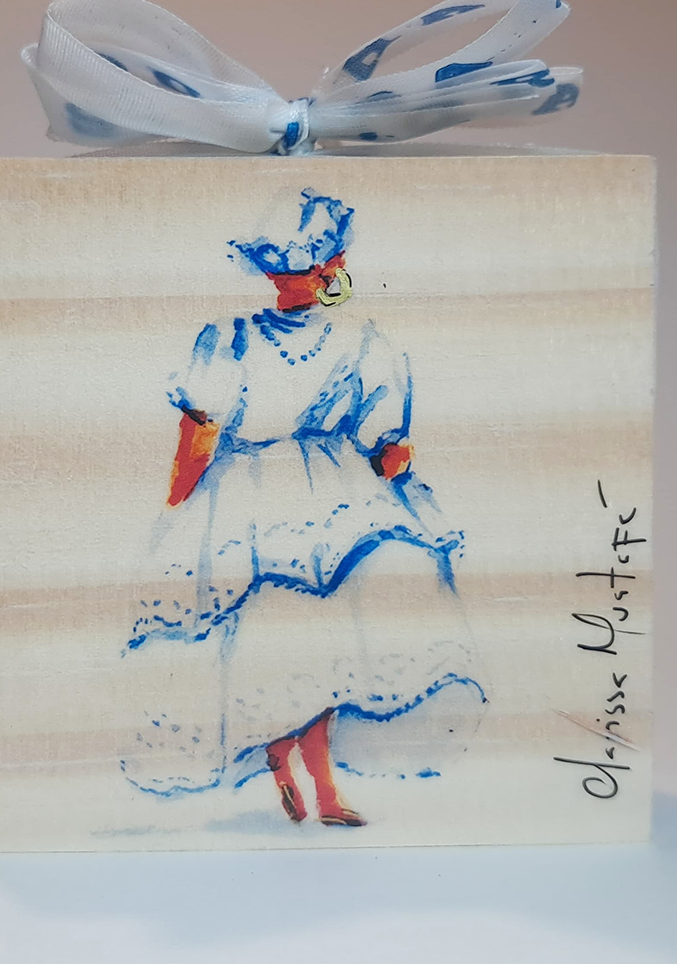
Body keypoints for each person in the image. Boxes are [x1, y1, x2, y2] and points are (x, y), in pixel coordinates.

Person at [122, 188, 485, 827]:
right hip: (331, 495)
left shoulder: (229, 339)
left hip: (248, 498)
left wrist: (179, 509)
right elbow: (387, 447)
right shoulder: (361, 341)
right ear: (328, 264)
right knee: (308, 641)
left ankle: (298, 774)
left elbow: (199, 436)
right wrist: (399, 489)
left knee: (291, 642)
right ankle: (314, 785)